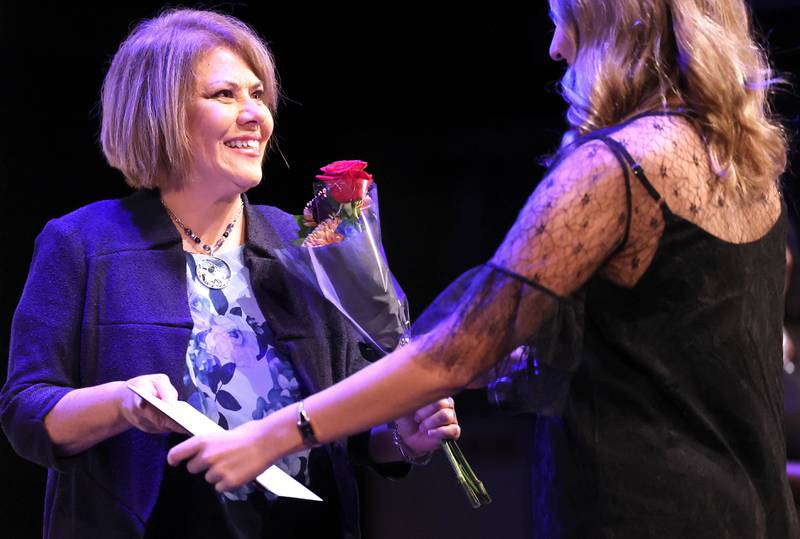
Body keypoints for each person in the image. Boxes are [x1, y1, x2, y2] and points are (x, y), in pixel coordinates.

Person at [168, 0, 800, 537]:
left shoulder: (620, 165)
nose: (556, 48)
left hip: (643, 510)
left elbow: (454, 352)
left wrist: (273, 436)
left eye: (565, 18)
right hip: (751, 505)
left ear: (619, 22)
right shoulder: (747, 171)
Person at [0, 9, 460, 539]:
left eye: (258, 95)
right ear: (160, 113)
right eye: (225, 95)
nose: (255, 115)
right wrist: (121, 403)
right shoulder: (82, 243)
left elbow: (350, 431)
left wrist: (404, 435)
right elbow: (27, 412)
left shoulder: (309, 242)